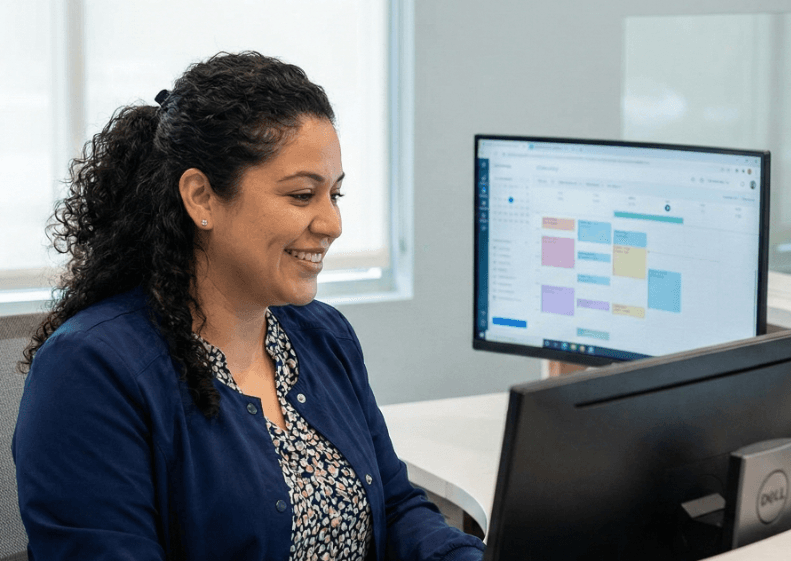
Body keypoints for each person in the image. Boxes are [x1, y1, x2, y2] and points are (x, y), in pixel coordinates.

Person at [13, 51, 485, 561]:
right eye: (303, 195)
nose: (332, 224)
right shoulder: (91, 370)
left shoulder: (323, 335)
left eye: (336, 195)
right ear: (202, 198)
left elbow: (395, 509)